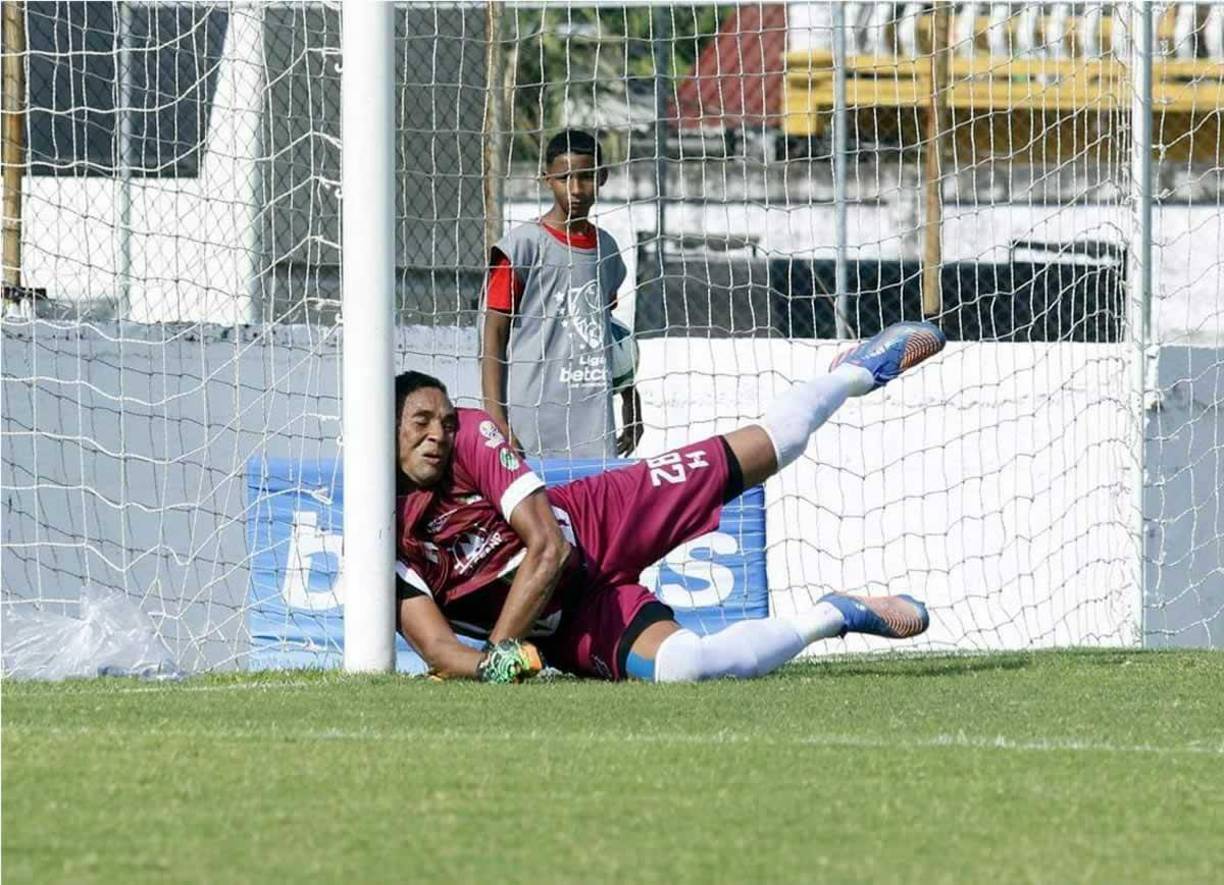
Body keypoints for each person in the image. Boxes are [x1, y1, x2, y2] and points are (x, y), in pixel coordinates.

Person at [396, 321, 947, 683]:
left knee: (773, 446)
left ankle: (855, 372)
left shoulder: (471, 434)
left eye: (442, 422)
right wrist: (494, 667)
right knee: (686, 667)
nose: (438, 435)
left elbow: (549, 548)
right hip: (571, 620)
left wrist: (498, 652)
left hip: (602, 518)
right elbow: (439, 650)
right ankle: (835, 615)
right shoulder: (386, 537)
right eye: (420, 424)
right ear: (386, 431)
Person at [480, 128, 643, 460]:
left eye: (585, 177)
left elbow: (605, 333)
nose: (576, 189)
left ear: (602, 177)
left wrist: (630, 396)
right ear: (546, 180)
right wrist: (497, 419)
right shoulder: (523, 246)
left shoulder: (607, 250)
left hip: (593, 422)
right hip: (531, 424)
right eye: (564, 178)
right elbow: (493, 335)